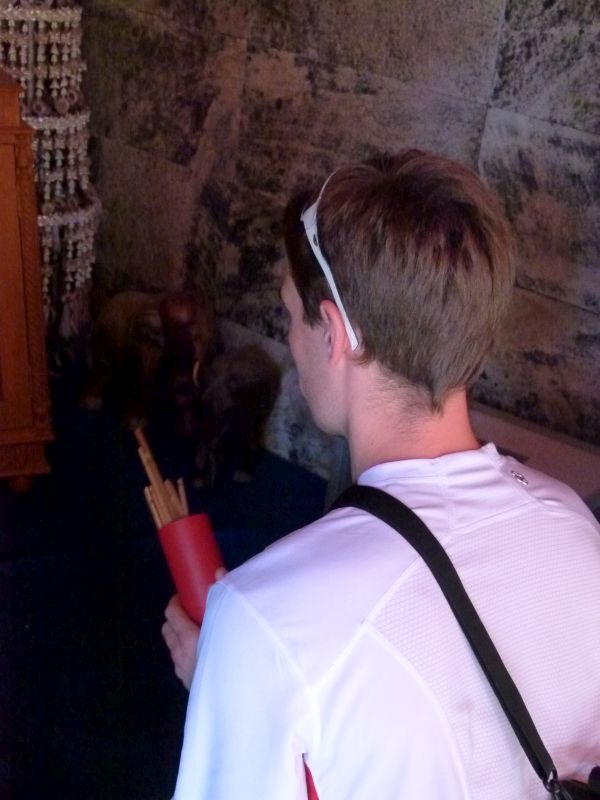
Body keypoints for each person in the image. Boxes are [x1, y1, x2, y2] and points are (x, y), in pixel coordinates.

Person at [162, 150, 600, 799]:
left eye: (291, 314)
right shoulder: (576, 527)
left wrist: (236, 682)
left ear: (335, 334)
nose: (292, 340)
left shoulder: (263, 618)